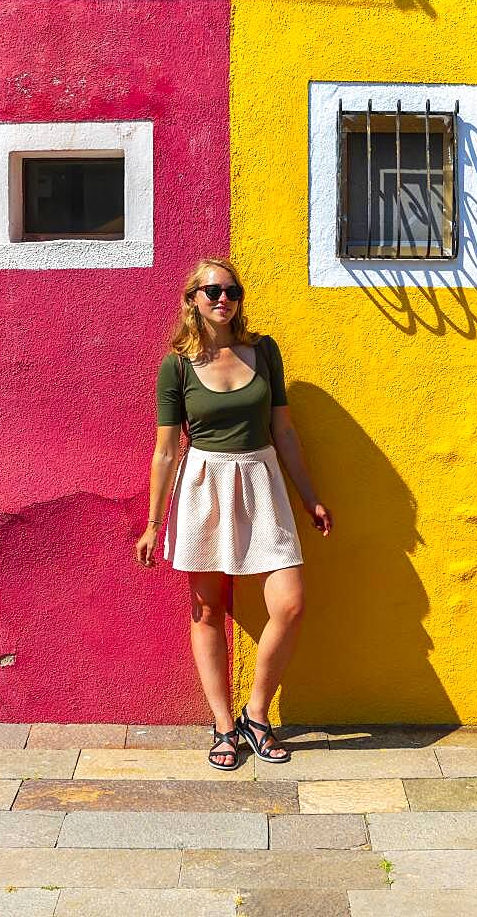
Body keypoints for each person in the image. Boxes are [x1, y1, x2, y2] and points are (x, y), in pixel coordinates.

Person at [135, 257, 332, 770]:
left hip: (262, 481)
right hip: (204, 485)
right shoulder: (176, 365)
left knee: (289, 602)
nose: (223, 299)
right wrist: (154, 523)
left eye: (232, 291)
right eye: (212, 291)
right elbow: (165, 450)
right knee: (206, 610)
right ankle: (224, 724)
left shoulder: (264, 352)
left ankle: (257, 713)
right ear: (192, 301)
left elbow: (284, 431)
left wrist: (309, 496)